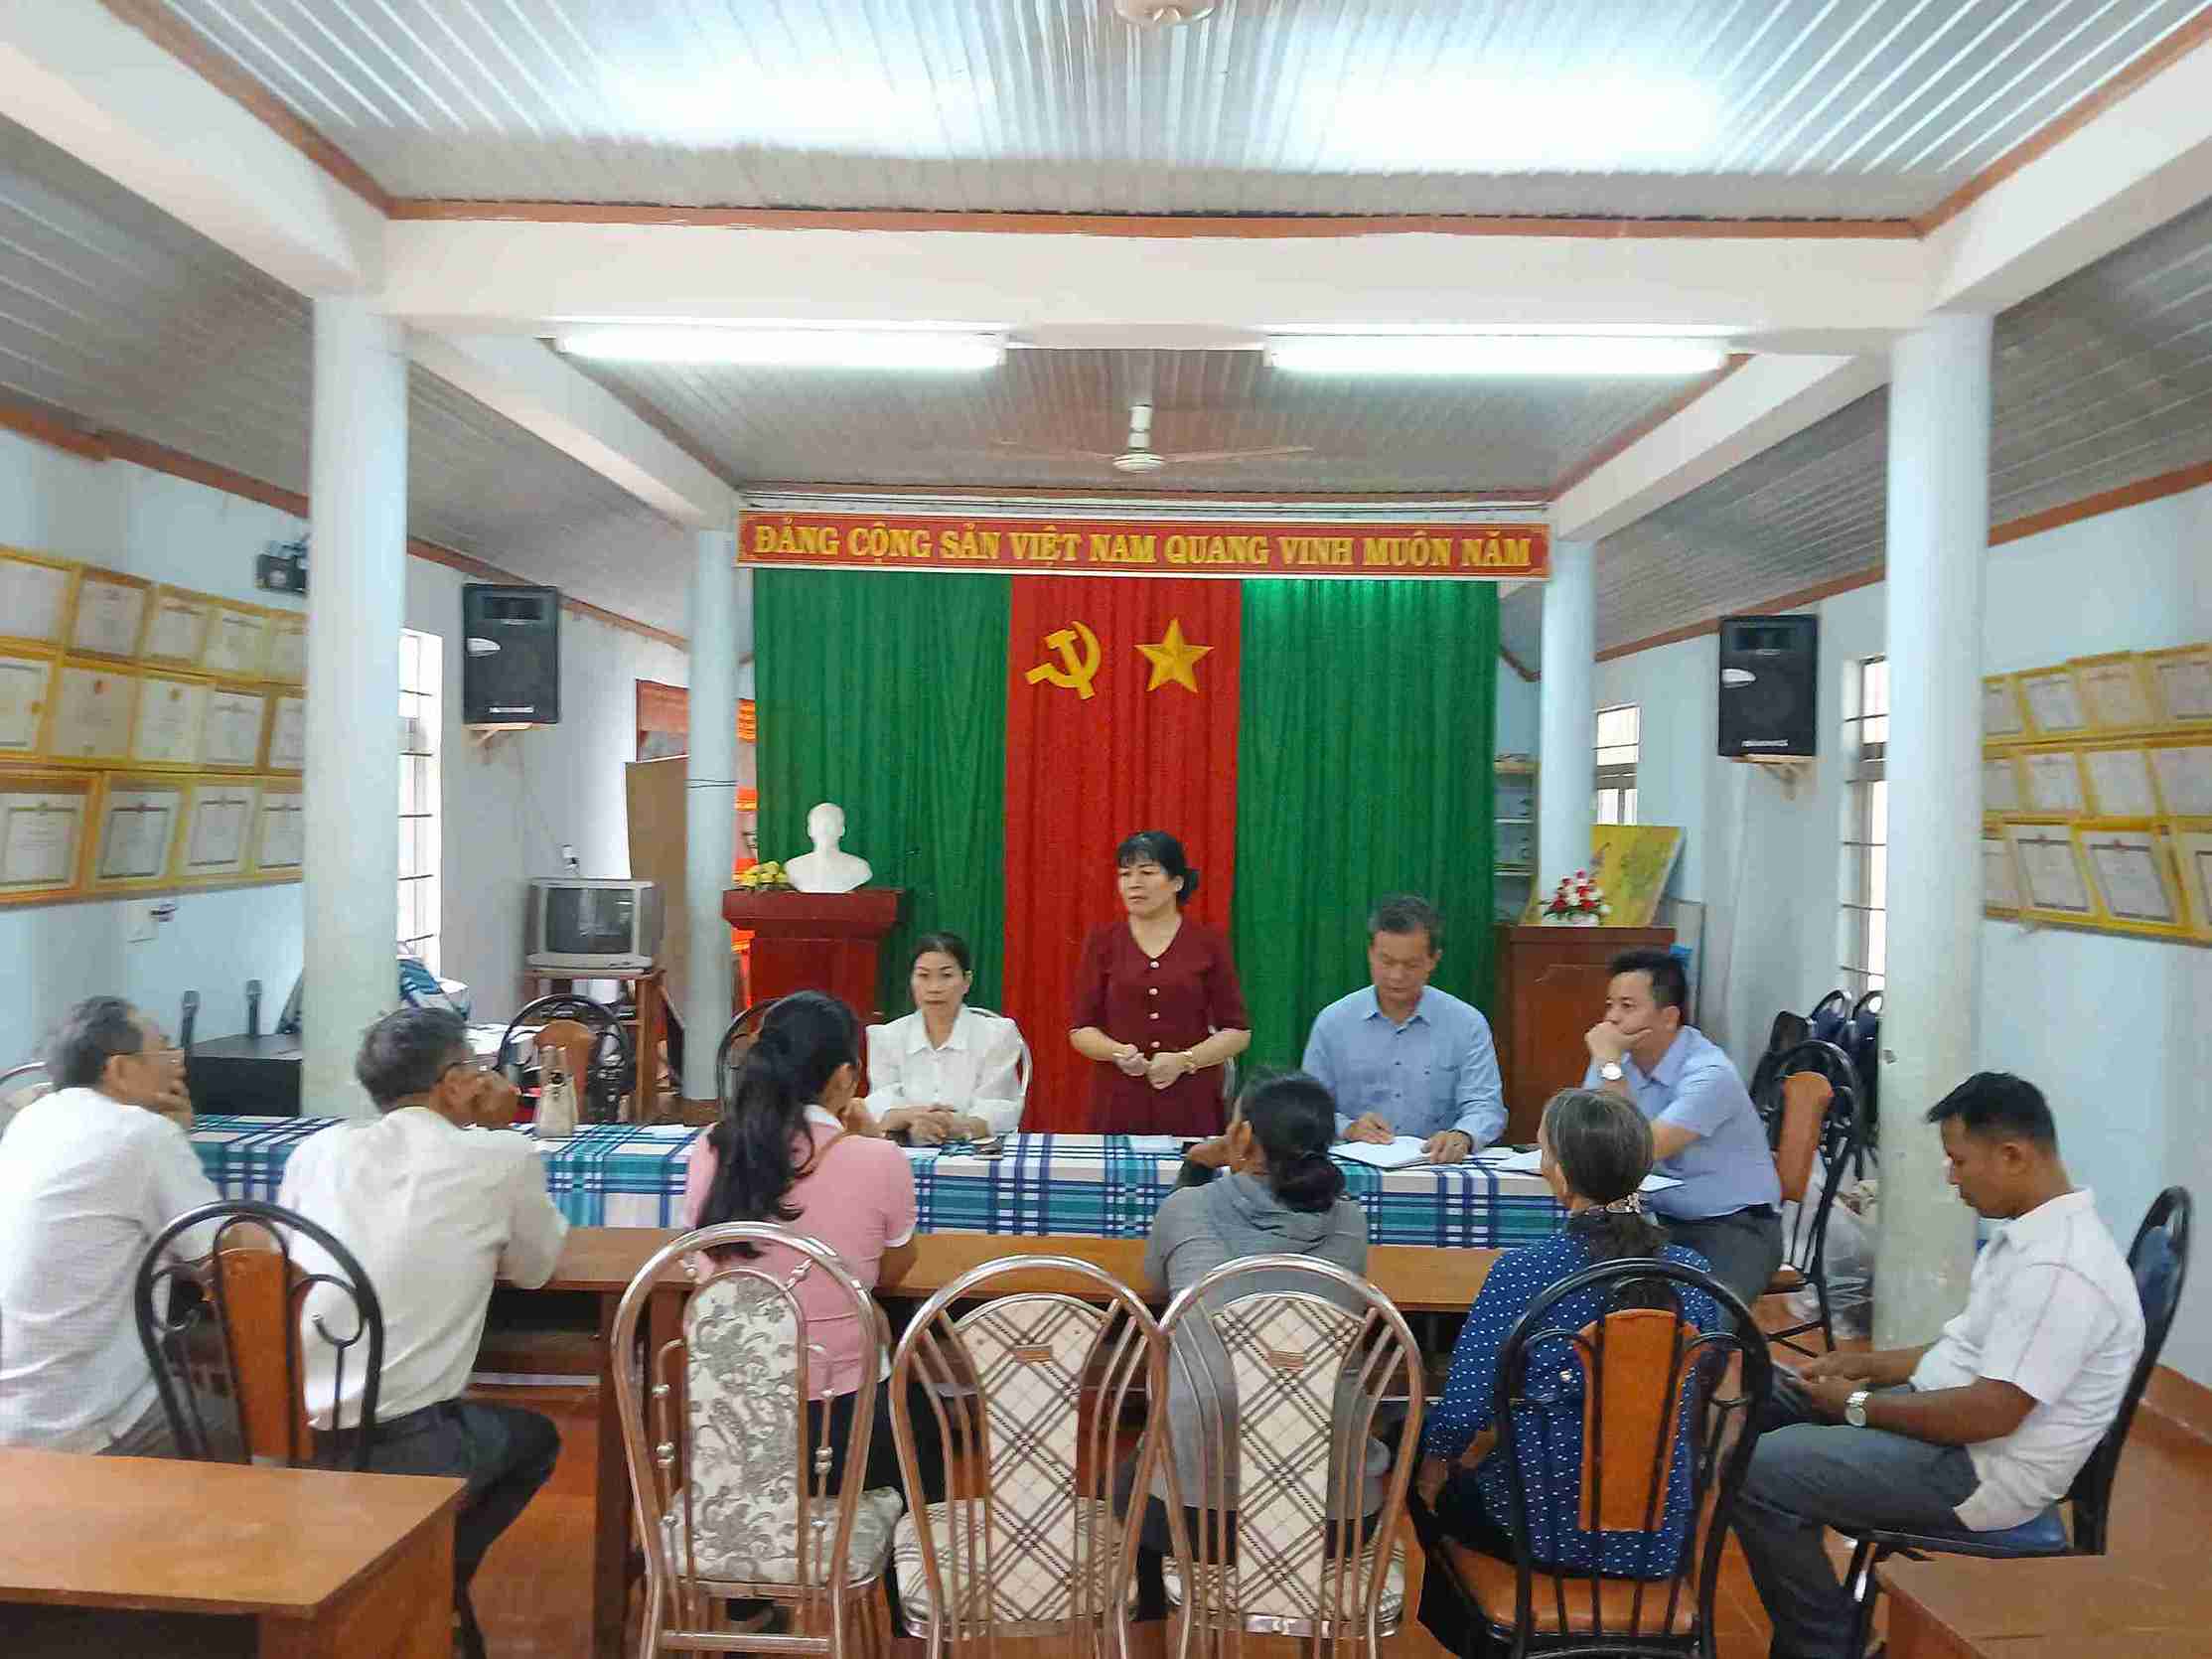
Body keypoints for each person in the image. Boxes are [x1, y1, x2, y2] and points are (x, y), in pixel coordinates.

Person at [1733, 1073, 2144, 1659]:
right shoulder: (2028, 1239)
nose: (1952, 1179)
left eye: (1958, 1161)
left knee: (1756, 1471)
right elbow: (1955, 1349)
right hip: (1945, 1425)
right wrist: (1861, 1368)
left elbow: (1988, 1414)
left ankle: (1829, 1646)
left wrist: (1856, 1405)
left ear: (2012, 1155)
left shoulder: (2062, 1272)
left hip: (1977, 1471)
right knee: (1756, 1389)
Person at [1406, 1088, 1723, 1654]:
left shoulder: (1525, 1273)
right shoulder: (1694, 1276)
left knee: (1416, 1472)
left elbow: (1462, 1414)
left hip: (1541, 1532)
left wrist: (1430, 1469)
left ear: (1558, 1170)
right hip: (1659, 1540)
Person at [277, 1007, 568, 1616]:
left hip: (300, 1433)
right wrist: (497, 1132)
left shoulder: (316, 1150)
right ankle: (433, 1579)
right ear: (456, 1081)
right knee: (536, 1440)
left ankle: (405, 1578)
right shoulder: (499, 1158)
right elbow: (535, 1269)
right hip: (414, 1445)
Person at [683, 989, 936, 1501]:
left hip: (728, 1412)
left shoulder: (712, 1147)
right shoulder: (878, 1160)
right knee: (929, 1426)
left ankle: (744, 1565)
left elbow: (702, 1259)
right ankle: (898, 1571)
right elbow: (891, 1268)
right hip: (839, 1414)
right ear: (843, 1077)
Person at [1125, 1072, 1380, 1574]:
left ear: (1240, 1136)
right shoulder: (1351, 1221)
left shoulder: (1188, 1208)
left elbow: (1155, 1290)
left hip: (1195, 1514)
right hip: (1334, 1518)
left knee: (1131, 1481)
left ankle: (1174, 1631)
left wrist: (1197, 1167)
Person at [0, 996, 219, 1455]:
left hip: (16, 1416)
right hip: (90, 1423)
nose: (177, 1066)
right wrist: (172, 1136)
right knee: (261, 1424)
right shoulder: (142, 1136)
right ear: (119, 1070)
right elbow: (227, 1260)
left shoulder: (28, 1123)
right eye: (164, 1052)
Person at [1583, 948, 1782, 1308]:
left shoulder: (1709, 1073)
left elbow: (1635, 1152)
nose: (1611, 1019)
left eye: (1627, 1007)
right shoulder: (1616, 1058)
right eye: (1610, 1004)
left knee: (1693, 1336)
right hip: (1653, 1222)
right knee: (1588, 1302)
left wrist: (1608, 1063)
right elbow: (1585, 1137)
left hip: (1731, 1227)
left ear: (1669, 1017)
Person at [1070, 830, 1252, 1135]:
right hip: (1119, 1101)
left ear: (1177, 883)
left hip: (1190, 1103)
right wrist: (1116, 1051)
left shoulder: (1208, 943)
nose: (1134, 883)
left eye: (1148, 872)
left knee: (1191, 1183)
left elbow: (1237, 1032)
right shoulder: (1103, 942)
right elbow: (1080, 1030)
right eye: (1125, 874)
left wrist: (1186, 1060)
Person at [1302, 894, 1504, 1163]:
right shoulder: (1333, 1022)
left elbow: (1485, 1105)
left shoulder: (1466, 1024)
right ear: (1370, 954)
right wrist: (1348, 1128)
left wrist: (1463, 1135)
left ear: (1434, 960)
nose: (1397, 975)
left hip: (1439, 1167)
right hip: (1352, 1170)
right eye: (1386, 961)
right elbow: (1307, 1107)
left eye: (1411, 964)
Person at [864, 932, 1026, 1142]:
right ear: (911, 980)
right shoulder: (886, 1037)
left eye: (946, 975)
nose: (934, 988)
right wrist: (912, 1117)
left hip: (975, 1155)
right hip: (905, 1152)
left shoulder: (997, 1034)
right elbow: (880, 1105)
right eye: (923, 976)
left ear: (966, 981)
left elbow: (999, 1107)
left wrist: (959, 1127)